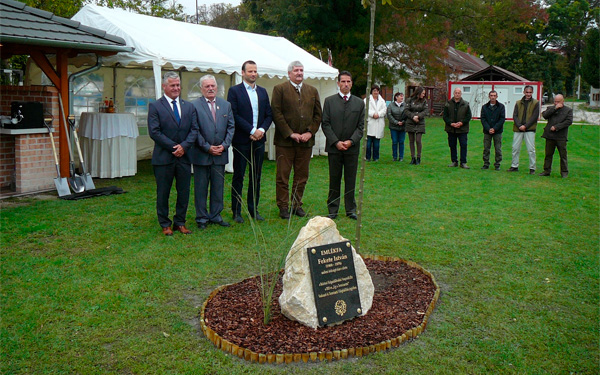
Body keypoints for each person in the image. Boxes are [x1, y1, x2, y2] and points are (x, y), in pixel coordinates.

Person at [148, 71, 199, 236]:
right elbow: (154, 132)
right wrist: (174, 147)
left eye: (178, 85)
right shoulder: (155, 106)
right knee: (163, 192)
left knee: (183, 191)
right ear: (164, 86)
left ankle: (180, 222)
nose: (176, 88)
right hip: (164, 158)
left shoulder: (189, 106)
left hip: (184, 157)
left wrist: (183, 147)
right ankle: (165, 223)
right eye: (173, 85)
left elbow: (194, 130)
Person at [271, 61, 322, 219]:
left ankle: (296, 205)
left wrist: (309, 132)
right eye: (296, 70)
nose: (299, 73)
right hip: (285, 142)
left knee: (301, 176)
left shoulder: (312, 90)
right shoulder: (280, 89)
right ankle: (283, 206)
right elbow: (276, 113)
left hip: (305, 143)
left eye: (301, 70)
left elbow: (318, 115)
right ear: (289, 73)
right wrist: (290, 133)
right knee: (283, 176)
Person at [227, 60, 273, 223]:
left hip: (259, 140)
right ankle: (237, 211)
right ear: (243, 72)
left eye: (255, 71)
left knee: (256, 176)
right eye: (250, 71)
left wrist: (261, 130)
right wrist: (252, 130)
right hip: (242, 140)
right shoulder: (234, 91)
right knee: (239, 175)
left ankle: (254, 209)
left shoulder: (262, 92)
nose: (253, 74)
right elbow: (234, 114)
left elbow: (269, 114)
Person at [190, 75, 235, 229]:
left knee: (218, 187)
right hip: (201, 154)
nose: (210, 89)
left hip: (220, 154)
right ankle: (201, 218)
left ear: (217, 87)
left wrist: (224, 145)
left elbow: (231, 127)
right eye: (207, 86)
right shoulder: (194, 106)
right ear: (201, 89)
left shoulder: (225, 105)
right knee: (201, 188)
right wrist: (207, 147)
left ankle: (215, 215)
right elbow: (194, 130)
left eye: (213, 86)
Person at [321, 71, 364, 220]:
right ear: (338, 83)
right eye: (343, 81)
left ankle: (350, 208)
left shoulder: (359, 103)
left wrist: (351, 141)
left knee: (350, 179)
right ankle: (333, 208)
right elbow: (325, 124)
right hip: (334, 148)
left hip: (352, 149)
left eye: (348, 81)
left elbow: (361, 126)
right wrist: (336, 142)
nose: (346, 84)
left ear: (352, 83)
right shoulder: (329, 101)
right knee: (334, 178)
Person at [540, 94, 573, 178]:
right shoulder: (550, 108)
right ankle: (546, 170)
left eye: (558, 102)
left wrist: (557, 127)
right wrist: (555, 108)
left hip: (561, 137)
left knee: (563, 155)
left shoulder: (568, 110)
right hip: (550, 136)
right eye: (555, 101)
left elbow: (568, 121)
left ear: (563, 101)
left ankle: (564, 172)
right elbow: (545, 115)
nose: (556, 103)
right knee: (548, 155)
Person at [508, 85, 539, 174]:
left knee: (531, 149)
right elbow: (515, 115)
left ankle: (532, 168)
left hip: (530, 129)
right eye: (527, 92)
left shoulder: (536, 103)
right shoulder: (518, 103)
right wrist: (519, 125)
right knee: (515, 148)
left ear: (532, 92)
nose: (528, 94)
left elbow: (534, 116)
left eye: (530, 92)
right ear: (524, 92)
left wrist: (526, 126)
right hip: (518, 129)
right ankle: (514, 166)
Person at [443, 88, 472, 169]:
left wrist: (461, 123)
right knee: (452, 145)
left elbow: (468, 116)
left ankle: (463, 162)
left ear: (461, 94)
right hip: (451, 129)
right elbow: (445, 116)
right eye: (456, 93)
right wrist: (450, 123)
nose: (457, 94)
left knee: (463, 145)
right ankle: (454, 161)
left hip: (462, 129)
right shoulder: (448, 104)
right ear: (453, 93)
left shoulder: (465, 104)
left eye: (459, 93)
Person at [480, 90, 505, 170]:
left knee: (498, 148)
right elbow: (483, 119)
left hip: (497, 131)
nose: (493, 97)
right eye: (491, 95)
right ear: (489, 96)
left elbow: (502, 119)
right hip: (487, 131)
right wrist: (488, 128)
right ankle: (486, 163)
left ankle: (497, 164)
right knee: (486, 148)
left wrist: (494, 128)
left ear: (497, 96)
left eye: (494, 95)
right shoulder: (484, 107)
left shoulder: (501, 107)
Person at [404, 86, 428, 165]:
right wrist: (413, 116)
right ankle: (412, 157)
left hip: (420, 122)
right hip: (410, 122)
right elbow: (406, 110)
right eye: (423, 93)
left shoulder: (424, 101)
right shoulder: (409, 100)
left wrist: (418, 116)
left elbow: (425, 111)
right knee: (411, 140)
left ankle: (418, 157)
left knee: (418, 140)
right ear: (418, 93)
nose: (424, 95)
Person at [364, 85, 387, 162]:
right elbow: (365, 109)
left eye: (377, 91)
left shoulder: (382, 101)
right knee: (368, 143)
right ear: (371, 91)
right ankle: (367, 157)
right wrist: (373, 114)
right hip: (370, 123)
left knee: (376, 144)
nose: (376, 92)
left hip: (378, 123)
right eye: (374, 91)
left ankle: (376, 157)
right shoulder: (367, 100)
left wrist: (379, 114)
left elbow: (384, 110)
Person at [386, 92, 406, 161]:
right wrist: (396, 122)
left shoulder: (405, 105)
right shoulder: (391, 105)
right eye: (400, 96)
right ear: (396, 97)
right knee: (394, 142)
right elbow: (389, 114)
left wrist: (403, 122)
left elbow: (407, 114)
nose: (402, 98)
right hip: (393, 127)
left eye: (402, 96)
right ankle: (394, 156)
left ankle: (401, 157)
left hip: (402, 127)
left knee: (401, 142)